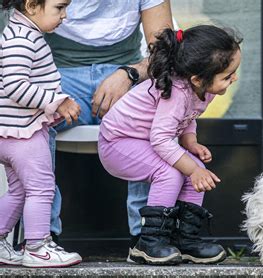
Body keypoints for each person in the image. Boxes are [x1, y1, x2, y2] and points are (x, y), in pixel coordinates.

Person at [98, 25, 242, 265]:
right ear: (197, 78)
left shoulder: (201, 88)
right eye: (227, 76)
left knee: (192, 166)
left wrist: (190, 142)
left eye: (234, 72)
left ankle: (186, 240)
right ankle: (148, 243)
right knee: (171, 173)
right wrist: (194, 170)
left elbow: (187, 117)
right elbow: (162, 139)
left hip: (145, 140)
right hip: (118, 143)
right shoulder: (176, 91)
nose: (233, 78)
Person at [41, 0, 172, 260]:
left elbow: (166, 51)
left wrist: (130, 74)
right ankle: (41, 237)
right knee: (32, 122)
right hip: (57, 73)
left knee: (155, 115)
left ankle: (147, 236)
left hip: (126, 73)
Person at [0, 0, 82, 267]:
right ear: (32, 6)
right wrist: (58, 101)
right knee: (41, 188)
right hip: (23, 132)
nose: (64, 16)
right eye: (59, 8)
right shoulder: (22, 38)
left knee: (20, 190)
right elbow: (14, 85)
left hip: (14, 131)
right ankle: (37, 247)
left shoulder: (22, 32)